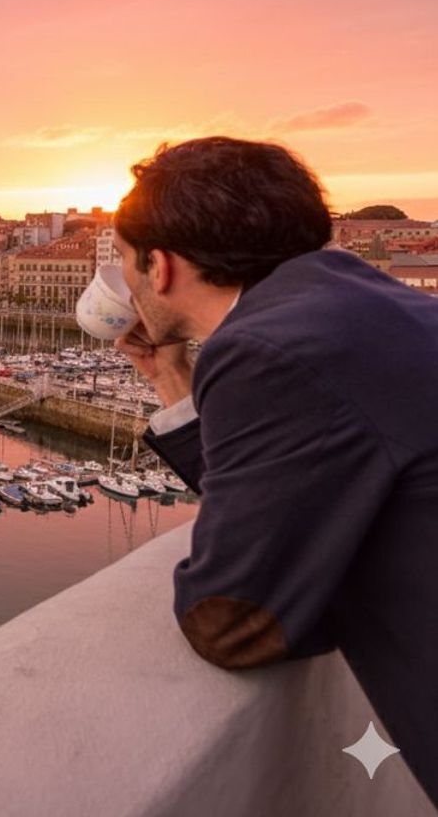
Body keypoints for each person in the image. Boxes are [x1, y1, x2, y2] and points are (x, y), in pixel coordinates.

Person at [110, 136, 438, 804]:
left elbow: (231, 618)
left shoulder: (265, 350)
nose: (127, 287)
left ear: (162, 267)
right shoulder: (374, 305)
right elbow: (280, 491)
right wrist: (173, 374)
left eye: (126, 266)